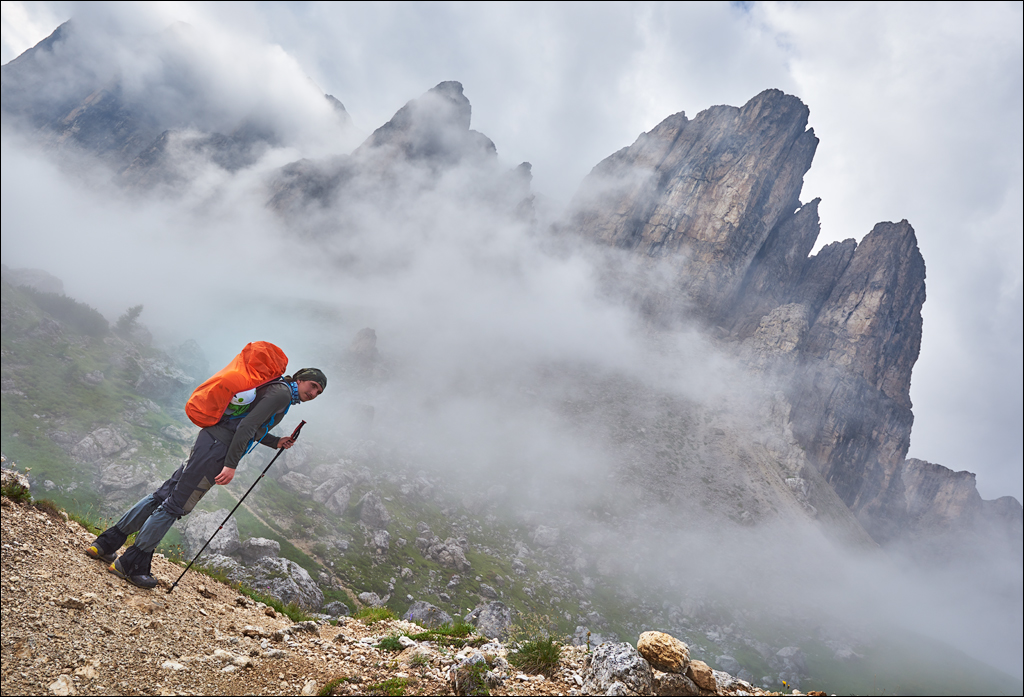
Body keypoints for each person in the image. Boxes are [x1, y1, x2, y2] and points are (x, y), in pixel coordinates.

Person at [86, 368, 327, 588]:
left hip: (209, 441)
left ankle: (105, 544)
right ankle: (131, 565)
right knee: (176, 504)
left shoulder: (276, 387)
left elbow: (248, 425)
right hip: (217, 451)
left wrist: (275, 441)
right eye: (313, 385)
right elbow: (245, 427)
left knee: (164, 494)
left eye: (319, 392)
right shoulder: (282, 395)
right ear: (300, 379)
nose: (314, 393)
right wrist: (231, 464)